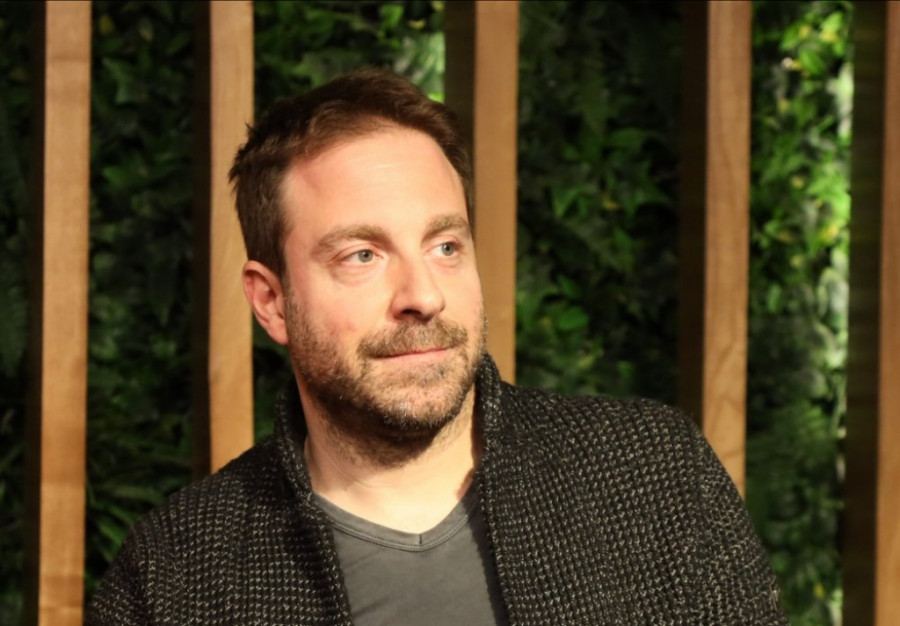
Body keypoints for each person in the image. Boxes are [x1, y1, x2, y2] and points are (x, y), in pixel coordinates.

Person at [87, 68, 786, 625]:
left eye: (445, 246)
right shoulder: (175, 576)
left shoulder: (651, 476)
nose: (423, 294)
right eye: (362, 255)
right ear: (271, 301)